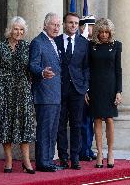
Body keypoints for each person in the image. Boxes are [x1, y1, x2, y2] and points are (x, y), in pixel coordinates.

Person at [0, 16, 35, 174]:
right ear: (10, 29)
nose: (19, 32)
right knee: (6, 125)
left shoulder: (27, 47)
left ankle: (26, 161)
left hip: (23, 91)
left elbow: (32, 69)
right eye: (16, 29)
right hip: (4, 90)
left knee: (25, 126)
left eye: (21, 29)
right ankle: (8, 160)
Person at [54, 12, 89, 170]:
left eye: (76, 23)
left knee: (77, 124)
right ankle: (63, 157)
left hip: (77, 90)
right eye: (70, 23)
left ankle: (75, 158)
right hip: (60, 89)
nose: (73, 25)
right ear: (64, 24)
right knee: (60, 125)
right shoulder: (55, 41)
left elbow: (87, 67)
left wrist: (85, 86)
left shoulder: (84, 43)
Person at [86, 18, 122, 168]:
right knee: (97, 119)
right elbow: (87, 68)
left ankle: (111, 152)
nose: (104, 35)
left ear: (110, 32)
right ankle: (100, 153)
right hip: (95, 86)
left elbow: (118, 70)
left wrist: (119, 91)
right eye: (101, 32)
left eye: (107, 32)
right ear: (97, 32)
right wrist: (86, 89)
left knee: (109, 119)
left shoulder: (116, 45)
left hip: (110, 86)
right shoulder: (91, 46)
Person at [29, 12, 61, 172]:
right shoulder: (38, 42)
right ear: (45, 25)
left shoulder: (54, 42)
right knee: (45, 130)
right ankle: (42, 162)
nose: (57, 28)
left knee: (52, 130)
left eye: (58, 25)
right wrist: (42, 72)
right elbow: (32, 65)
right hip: (44, 93)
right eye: (54, 25)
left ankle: (49, 160)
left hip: (56, 94)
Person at [78, 15, 97, 162]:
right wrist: (85, 89)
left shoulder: (93, 43)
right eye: (90, 26)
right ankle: (83, 150)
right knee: (84, 121)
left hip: (94, 87)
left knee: (90, 121)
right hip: (83, 88)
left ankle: (88, 148)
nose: (92, 29)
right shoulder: (81, 43)